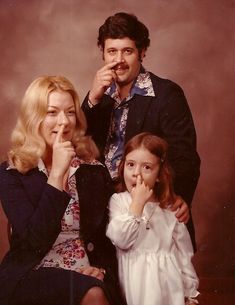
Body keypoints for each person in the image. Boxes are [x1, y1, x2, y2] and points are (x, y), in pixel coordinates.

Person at [0, 76, 124, 305]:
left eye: (69, 112)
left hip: (85, 269)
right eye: (52, 112)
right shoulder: (11, 172)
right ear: (33, 117)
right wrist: (57, 175)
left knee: (96, 289)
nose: (64, 122)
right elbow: (32, 242)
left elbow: (110, 236)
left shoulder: (93, 170)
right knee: (93, 295)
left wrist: (102, 270)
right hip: (32, 272)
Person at [81, 12, 200, 249]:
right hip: (106, 210)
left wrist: (178, 197)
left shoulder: (166, 95)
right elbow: (83, 148)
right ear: (103, 54)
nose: (119, 60)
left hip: (150, 209)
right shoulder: (100, 97)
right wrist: (92, 100)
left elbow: (185, 157)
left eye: (128, 51)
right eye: (112, 51)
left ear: (142, 52)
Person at [106, 132, 200, 305]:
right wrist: (137, 205)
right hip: (136, 289)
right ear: (122, 167)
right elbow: (121, 239)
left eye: (147, 167)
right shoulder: (119, 202)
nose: (137, 174)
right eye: (131, 165)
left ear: (159, 175)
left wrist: (189, 293)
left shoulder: (170, 209)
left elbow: (184, 255)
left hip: (170, 290)